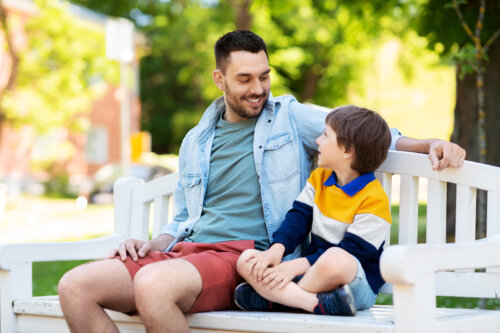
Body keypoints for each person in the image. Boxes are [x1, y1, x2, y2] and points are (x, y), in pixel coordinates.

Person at [58, 30, 466, 333]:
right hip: (186, 252)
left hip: (246, 257)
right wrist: (152, 243)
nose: (258, 89)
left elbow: (363, 134)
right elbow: (183, 216)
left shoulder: (289, 116)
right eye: (245, 80)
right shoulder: (196, 139)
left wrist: (426, 142)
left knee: (152, 285)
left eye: (264, 77)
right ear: (220, 80)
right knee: (75, 286)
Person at [234, 105, 391, 316]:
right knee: (247, 260)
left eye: (326, 135)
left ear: (347, 151)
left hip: (353, 287)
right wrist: (276, 250)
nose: (318, 140)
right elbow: (298, 218)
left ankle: (278, 299)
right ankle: (312, 303)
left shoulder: (374, 199)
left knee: (336, 258)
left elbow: (352, 253)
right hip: (311, 275)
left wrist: (294, 267)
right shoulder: (320, 178)